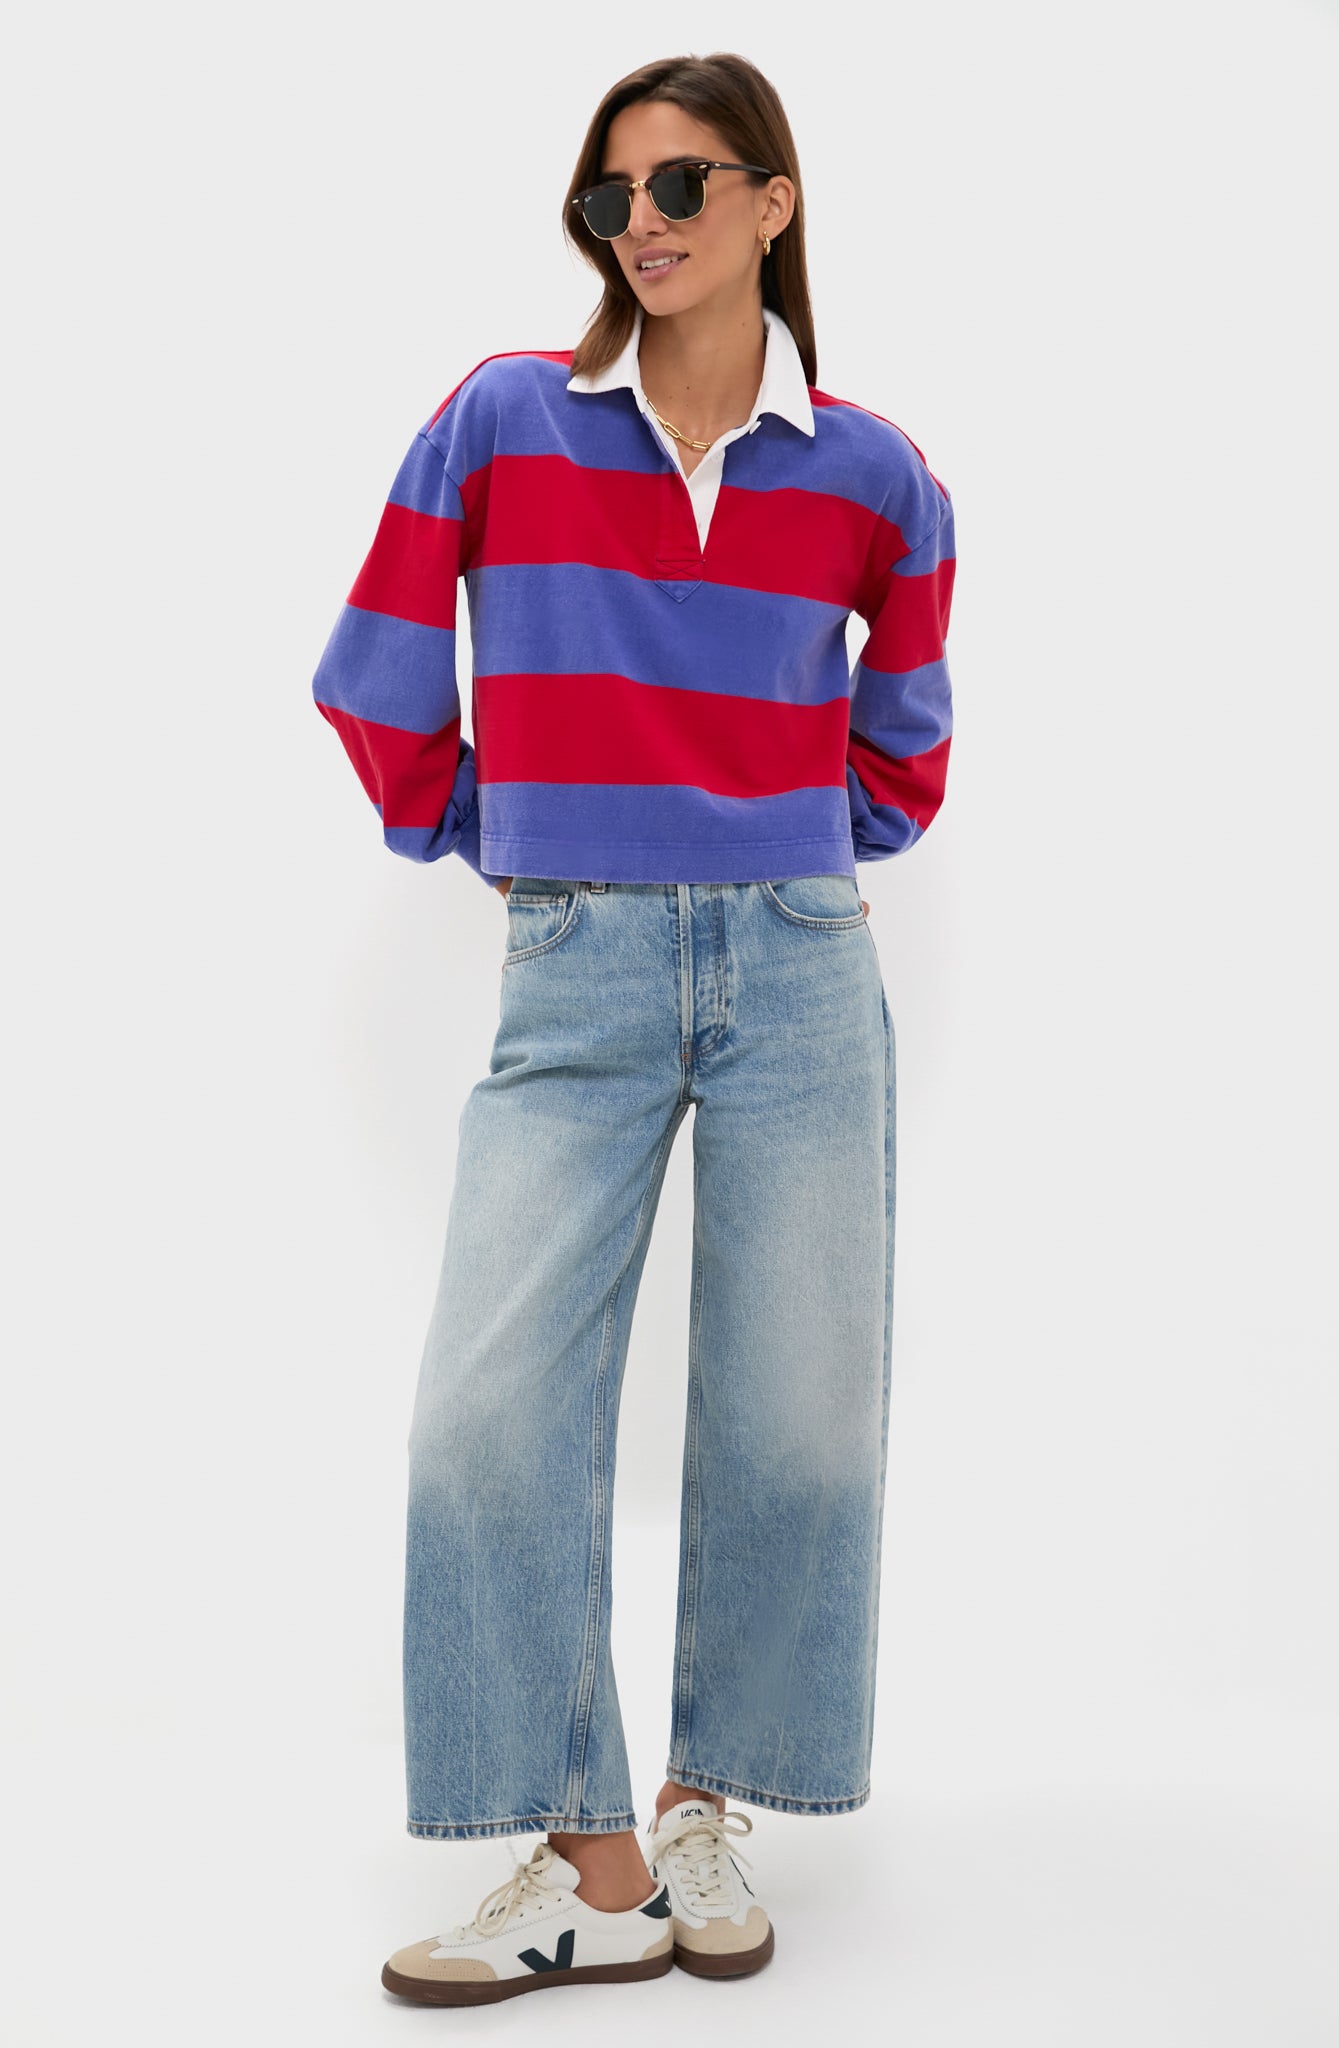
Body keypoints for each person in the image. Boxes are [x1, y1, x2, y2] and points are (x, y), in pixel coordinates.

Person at [311, 49, 956, 2008]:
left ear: (771, 199)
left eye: (680, 183)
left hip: (799, 964)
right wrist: (502, 833)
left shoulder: (873, 474)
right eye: (610, 196)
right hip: (573, 956)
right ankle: (586, 1859)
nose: (642, 222)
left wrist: (790, 853)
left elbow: (905, 748)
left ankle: (697, 1807)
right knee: (482, 1420)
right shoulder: (504, 419)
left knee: (799, 1425)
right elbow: (375, 669)